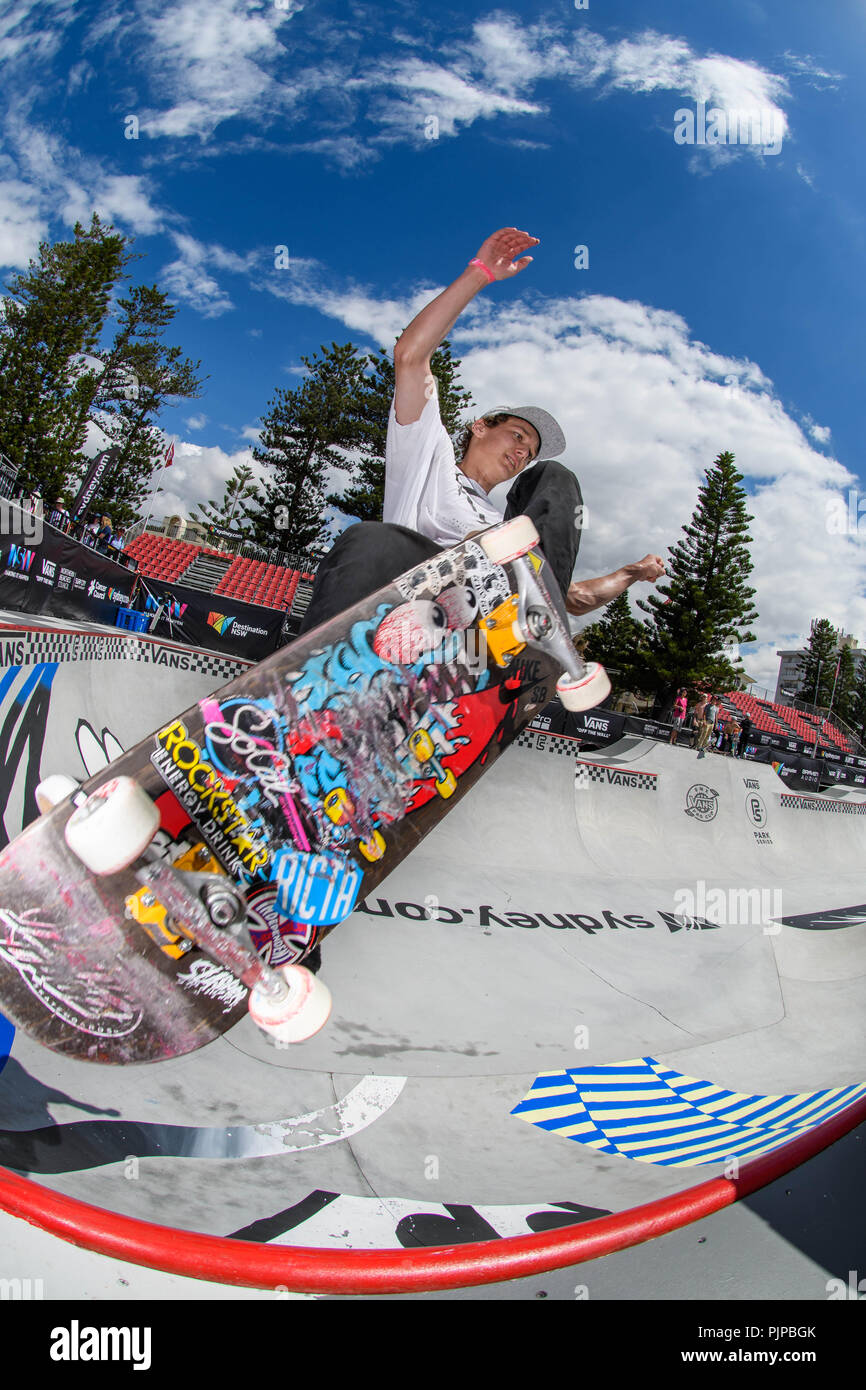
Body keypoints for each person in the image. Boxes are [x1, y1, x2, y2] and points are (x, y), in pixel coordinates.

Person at [300, 226, 666, 636]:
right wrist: (480, 273)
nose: (522, 453)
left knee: (553, 482)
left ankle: (535, 629)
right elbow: (410, 356)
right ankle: (311, 668)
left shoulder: (508, 529)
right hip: (406, 606)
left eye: (528, 451)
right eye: (517, 436)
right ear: (479, 427)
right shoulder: (429, 456)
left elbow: (575, 597)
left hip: (482, 631)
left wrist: (632, 572)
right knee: (371, 540)